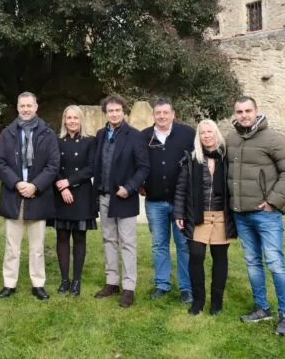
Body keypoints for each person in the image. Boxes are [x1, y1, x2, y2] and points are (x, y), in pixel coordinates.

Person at [227, 95, 285, 337]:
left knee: (275, 264)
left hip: (266, 215)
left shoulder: (274, 139)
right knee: (252, 263)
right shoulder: (230, 139)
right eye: (239, 111)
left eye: (248, 110)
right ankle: (262, 308)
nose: (244, 115)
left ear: (257, 111)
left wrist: (273, 201)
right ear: (235, 114)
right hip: (241, 215)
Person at [0, 92, 60, 301]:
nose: (25, 109)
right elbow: (0, 163)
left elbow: (53, 165)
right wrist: (17, 183)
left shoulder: (48, 134)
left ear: (36, 107)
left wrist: (35, 186)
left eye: (29, 105)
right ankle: (9, 283)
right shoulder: (8, 133)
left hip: (38, 196)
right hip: (13, 195)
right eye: (22, 106)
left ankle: (38, 284)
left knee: (37, 246)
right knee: (12, 246)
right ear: (17, 107)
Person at [174, 119, 236, 316]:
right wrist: (179, 212)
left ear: (216, 134)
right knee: (196, 256)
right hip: (198, 215)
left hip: (220, 215)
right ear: (198, 137)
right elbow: (181, 188)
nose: (207, 135)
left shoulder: (227, 158)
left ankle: (216, 303)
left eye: (210, 132)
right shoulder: (192, 159)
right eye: (202, 133)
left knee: (220, 258)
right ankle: (198, 301)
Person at [93, 94, 149, 308]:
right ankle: (112, 281)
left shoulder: (135, 136)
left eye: (117, 110)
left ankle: (128, 287)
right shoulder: (100, 135)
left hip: (125, 196)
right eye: (110, 110)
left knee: (127, 242)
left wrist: (129, 187)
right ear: (105, 113)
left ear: (123, 111)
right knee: (108, 239)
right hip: (104, 195)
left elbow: (144, 167)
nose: (114, 113)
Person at [140, 97, 195, 303]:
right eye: (158, 113)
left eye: (165, 112)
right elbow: (138, 163)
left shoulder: (188, 134)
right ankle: (162, 284)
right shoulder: (144, 136)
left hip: (181, 202)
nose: (161, 116)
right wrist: (138, 183)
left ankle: (186, 288)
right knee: (159, 245)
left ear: (173, 114)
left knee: (183, 245)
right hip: (154, 201)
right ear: (153, 115)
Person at [51, 105, 97, 297]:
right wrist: (62, 188)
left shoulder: (90, 141)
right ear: (64, 120)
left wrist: (69, 182)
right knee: (62, 237)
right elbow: (52, 166)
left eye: (75, 118)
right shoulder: (56, 140)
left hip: (82, 194)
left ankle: (76, 281)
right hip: (60, 194)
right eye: (68, 118)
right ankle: (64, 280)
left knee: (79, 237)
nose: (72, 121)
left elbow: (91, 168)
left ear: (80, 120)